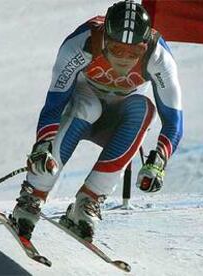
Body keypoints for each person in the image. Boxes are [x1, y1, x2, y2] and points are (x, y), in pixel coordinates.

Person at [10, 0, 183, 242]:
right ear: (104, 39)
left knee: (144, 109)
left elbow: (174, 119)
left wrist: (159, 161)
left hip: (121, 114)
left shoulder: (158, 57)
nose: (124, 60)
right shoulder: (81, 44)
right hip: (85, 100)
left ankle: (88, 202)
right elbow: (55, 103)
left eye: (134, 53)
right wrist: (42, 146)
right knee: (88, 107)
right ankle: (32, 197)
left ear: (145, 47)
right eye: (116, 50)